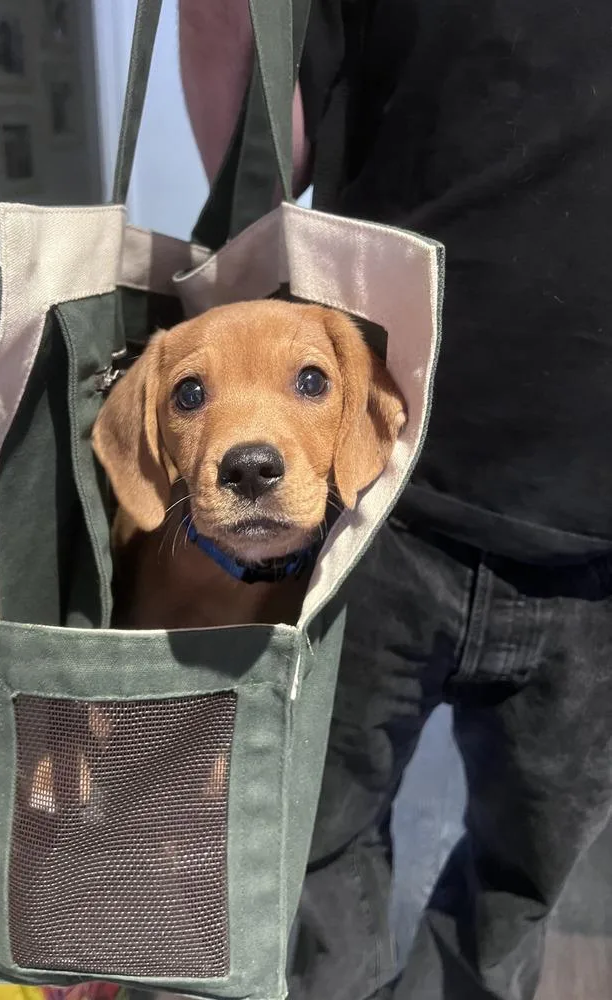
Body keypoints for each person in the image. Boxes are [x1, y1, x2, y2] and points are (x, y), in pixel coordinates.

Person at [179, 2, 612, 998]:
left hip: (384, 464)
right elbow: (259, 120)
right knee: (499, 889)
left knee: (329, 859)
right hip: (377, 488)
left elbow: (258, 142)